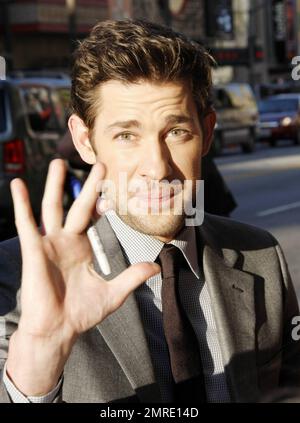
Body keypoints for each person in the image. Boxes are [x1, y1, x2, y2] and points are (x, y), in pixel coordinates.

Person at [0, 20, 300, 404]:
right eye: (127, 136)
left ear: (207, 132)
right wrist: (35, 373)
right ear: (84, 142)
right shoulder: (21, 277)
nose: (157, 167)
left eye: (176, 132)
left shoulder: (261, 257)